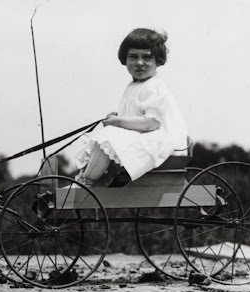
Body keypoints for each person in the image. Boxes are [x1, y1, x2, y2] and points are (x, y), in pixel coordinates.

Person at [75, 28, 187, 186]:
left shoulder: (154, 86)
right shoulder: (134, 86)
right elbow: (134, 115)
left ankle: (86, 183)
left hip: (160, 141)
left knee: (106, 140)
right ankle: (90, 179)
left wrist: (119, 121)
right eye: (133, 57)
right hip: (144, 137)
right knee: (100, 138)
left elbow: (151, 123)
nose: (140, 63)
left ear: (158, 61)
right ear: (125, 60)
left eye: (147, 58)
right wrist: (117, 117)